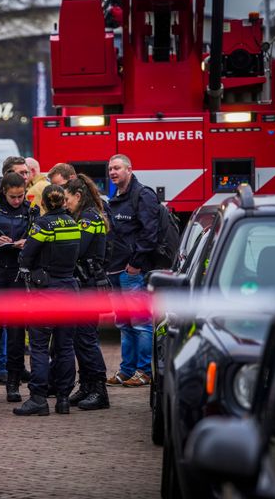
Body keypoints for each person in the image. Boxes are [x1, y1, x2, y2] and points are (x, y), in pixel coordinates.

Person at [14, 185, 81, 416]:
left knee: (40, 347)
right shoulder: (73, 224)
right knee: (65, 348)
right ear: (64, 202)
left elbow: (27, 254)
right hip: (70, 290)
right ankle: (63, 399)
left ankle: (39, 399)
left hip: (46, 292)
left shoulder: (42, 225)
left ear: (43, 203)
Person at [0, 172, 38, 403]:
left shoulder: (31, 210)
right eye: (13, 196)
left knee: (16, 333)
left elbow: (40, 240)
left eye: (21, 196)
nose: (17, 200)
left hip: (18, 275)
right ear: (4, 192)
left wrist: (27, 244)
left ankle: (13, 383)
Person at [105, 154, 160, 388]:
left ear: (129, 169)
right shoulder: (115, 197)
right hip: (116, 270)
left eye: (117, 168)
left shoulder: (143, 195)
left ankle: (144, 371)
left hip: (132, 271)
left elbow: (150, 234)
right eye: (110, 169)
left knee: (140, 323)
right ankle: (126, 370)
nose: (112, 172)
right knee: (124, 325)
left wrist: (135, 264)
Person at [62, 175, 111, 410]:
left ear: (78, 196)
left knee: (87, 339)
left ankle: (99, 390)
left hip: (89, 285)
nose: (65, 203)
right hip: (83, 284)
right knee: (80, 340)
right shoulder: (83, 215)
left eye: (67, 199)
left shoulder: (88, 219)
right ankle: (87, 386)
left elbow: (76, 250)